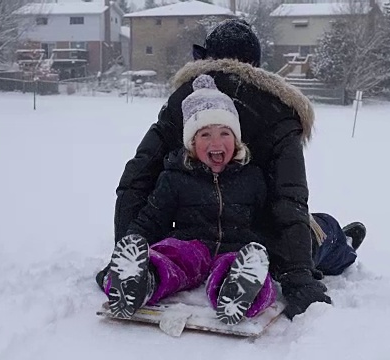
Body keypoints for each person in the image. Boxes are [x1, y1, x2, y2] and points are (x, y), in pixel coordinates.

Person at [97, 18, 366, 319]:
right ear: (256, 63)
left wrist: (121, 248)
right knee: (321, 230)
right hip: (258, 235)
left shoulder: (185, 100)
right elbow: (289, 200)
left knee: (262, 249)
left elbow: (137, 179)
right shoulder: (278, 110)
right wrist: (298, 276)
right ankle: (343, 242)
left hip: (238, 239)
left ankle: (329, 246)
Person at [104, 74, 279, 324]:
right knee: (169, 255)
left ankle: (239, 292)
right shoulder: (175, 177)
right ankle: (138, 282)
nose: (216, 142)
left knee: (242, 264)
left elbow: (265, 221)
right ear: (191, 142)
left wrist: (271, 250)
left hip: (235, 248)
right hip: (191, 244)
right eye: (205, 134)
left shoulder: (252, 177)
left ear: (237, 139)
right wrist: (133, 241)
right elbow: (151, 220)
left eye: (225, 133)